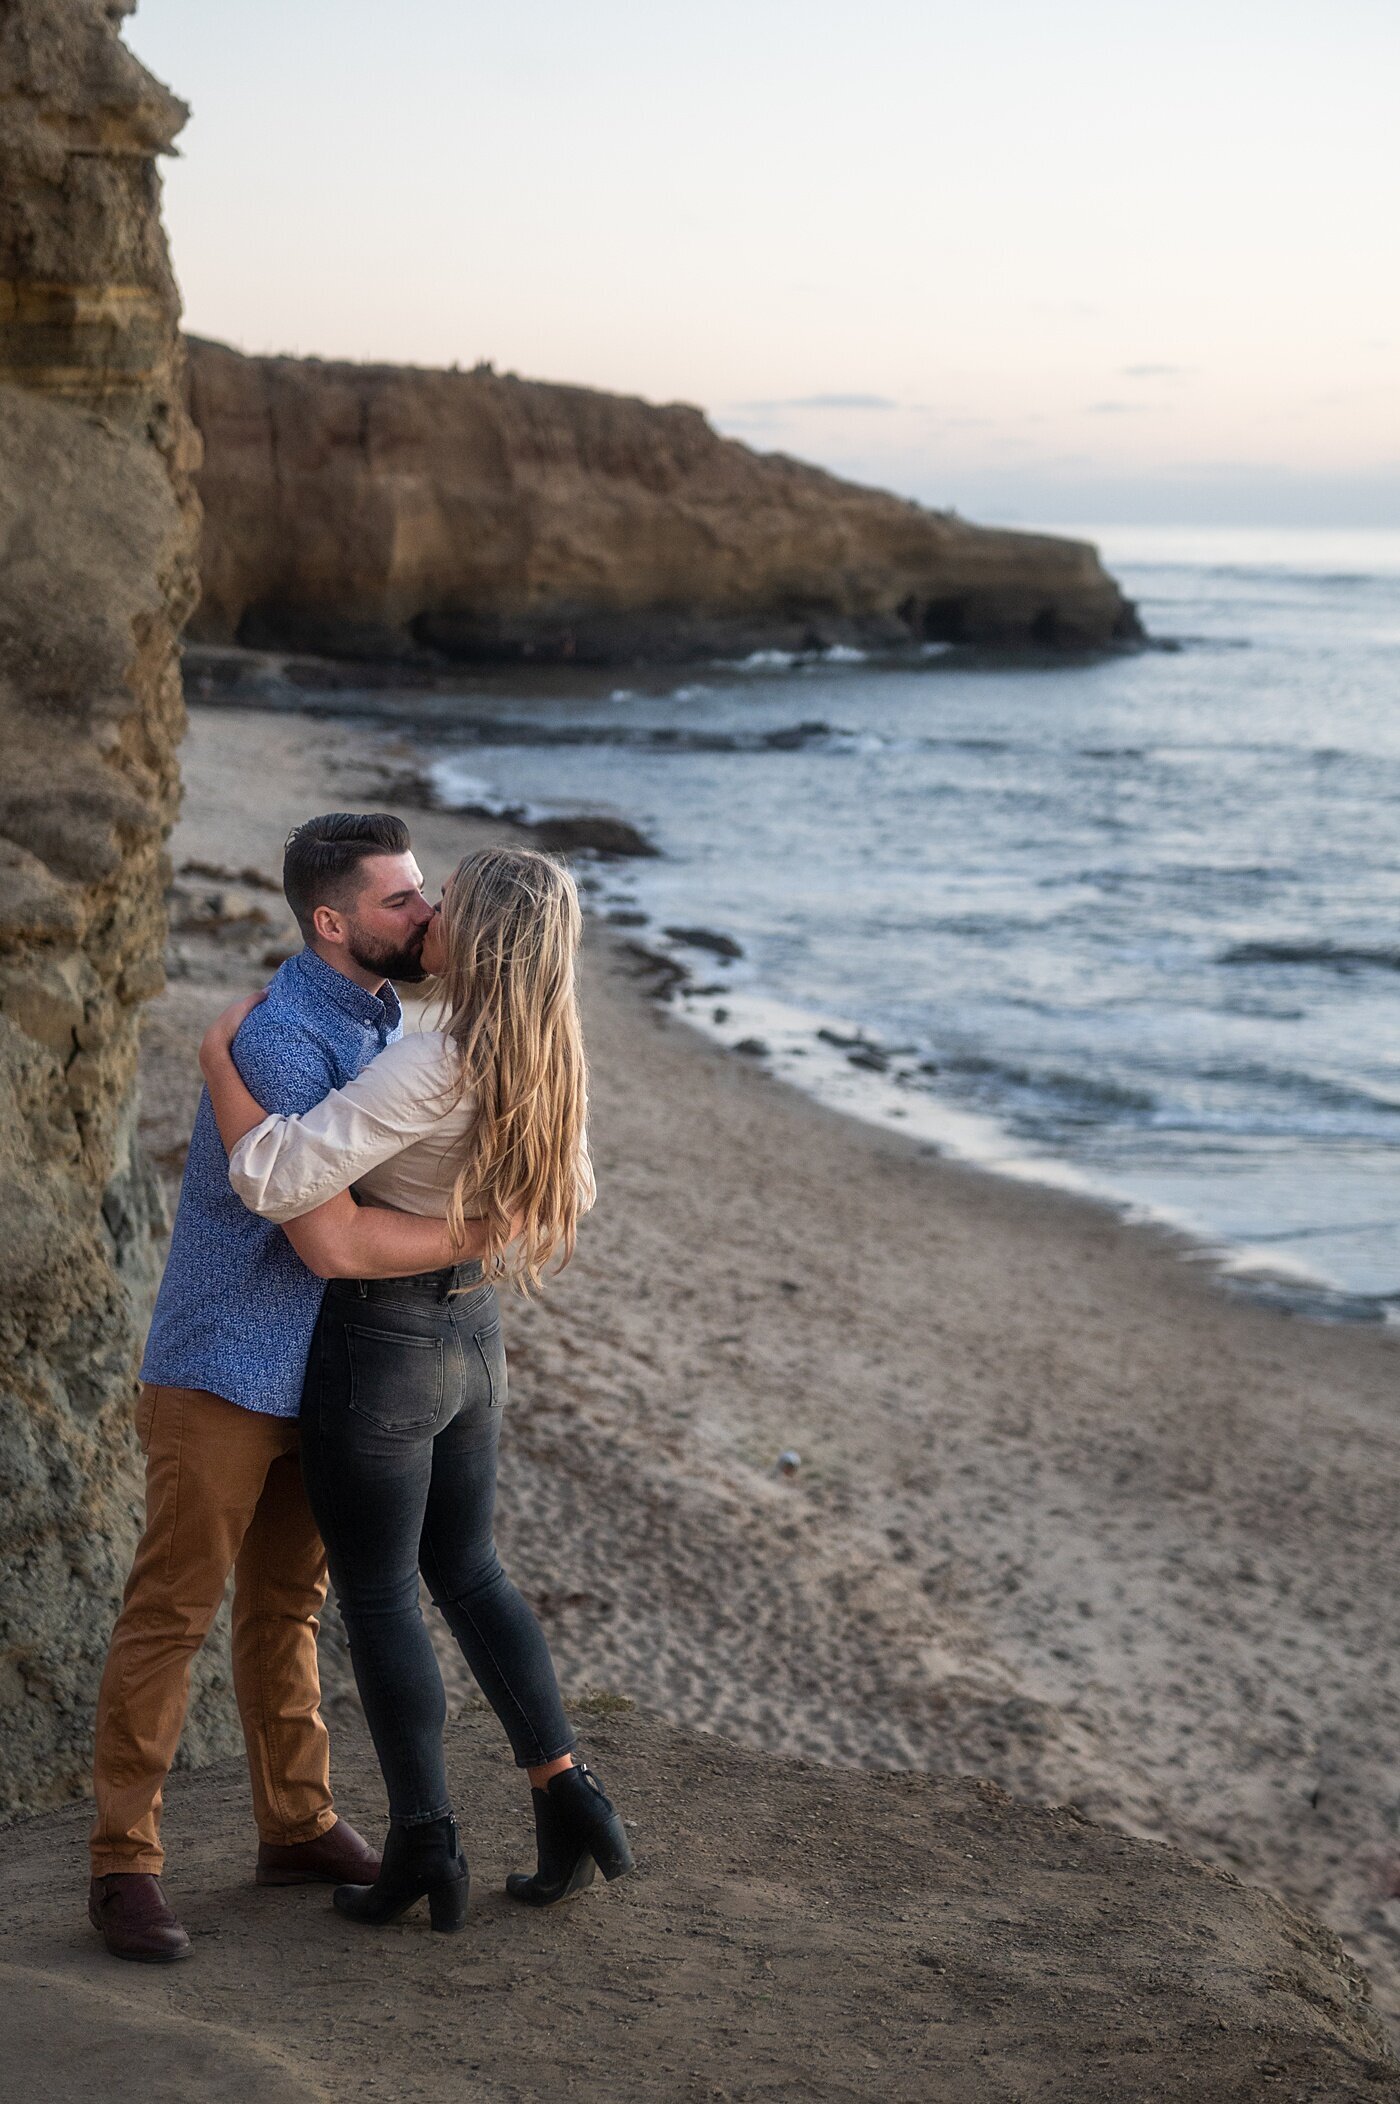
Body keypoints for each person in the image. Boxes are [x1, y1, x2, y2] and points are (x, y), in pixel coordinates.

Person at [197, 846, 633, 1932]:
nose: (426, 912)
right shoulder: (552, 1048)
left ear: (477, 936)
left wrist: (217, 1061)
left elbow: (271, 1177)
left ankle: (424, 1842)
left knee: (384, 1593)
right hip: (475, 1340)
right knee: (471, 1571)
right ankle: (566, 1791)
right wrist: (480, 1232)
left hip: (384, 1350)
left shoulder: (436, 1056)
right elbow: (565, 1192)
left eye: (446, 905)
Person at [89, 814, 488, 1964]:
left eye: (424, 894)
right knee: (171, 1611)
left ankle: (297, 1826)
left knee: (286, 1609)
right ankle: (123, 1863)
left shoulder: (386, 1024)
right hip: (222, 1368)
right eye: (401, 900)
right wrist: (487, 1226)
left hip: (320, 1372)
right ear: (333, 922)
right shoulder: (276, 1041)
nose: (425, 916)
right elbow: (328, 1231)